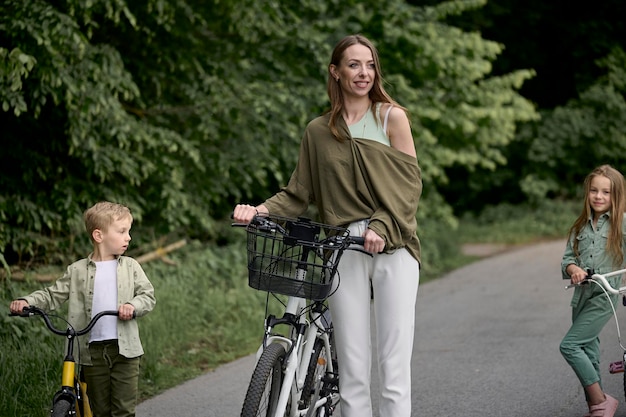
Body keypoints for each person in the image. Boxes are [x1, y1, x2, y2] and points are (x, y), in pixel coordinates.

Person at [233, 34, 421, 417]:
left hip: (394, 242)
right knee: (352, 369)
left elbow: (409, 186)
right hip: (341, 245)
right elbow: (297, 192)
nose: (363, 73)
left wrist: (382, 227)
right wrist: (259, 210)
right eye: (354, 65)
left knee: (393, 368)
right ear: (335, 72)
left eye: (369, 65)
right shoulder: (318, 131)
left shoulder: (391, 117)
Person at [9, 201, 156, 417]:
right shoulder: (77, 270)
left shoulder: (131, 266)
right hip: (92, 353)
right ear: (99, 236)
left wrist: (132, 306)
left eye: (129, 231)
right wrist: (27, 301)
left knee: (123, 410)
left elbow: (147, 296)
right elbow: (52, 294)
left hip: (125, 351)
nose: (129, 237)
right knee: (100, 411)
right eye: (122, 231)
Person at [560, 165, 626, 417]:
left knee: (570, 345)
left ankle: (601, 401)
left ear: (616, 196)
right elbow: (567, 259)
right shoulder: (579, 227)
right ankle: (596, 409)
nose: (599, 196)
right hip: (581, 296)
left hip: (604, 295)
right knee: (588, 348)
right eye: (594, 191)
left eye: (606, 192)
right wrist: (574, 268)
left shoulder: (621, 223)